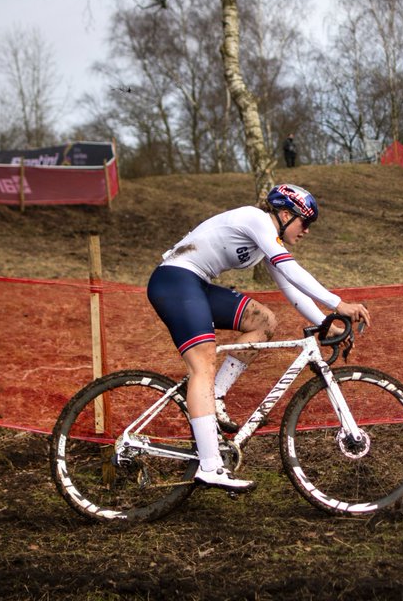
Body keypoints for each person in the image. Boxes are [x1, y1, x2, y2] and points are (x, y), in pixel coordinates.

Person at [145, 184, 371, 492]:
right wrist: (338, 304)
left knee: (264, 322)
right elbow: (291, 269)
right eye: (304, 222)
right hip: (175, 280)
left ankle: (216, 395)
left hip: (195, 283)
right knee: (204, 364)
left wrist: (323, 323)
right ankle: (210, 466)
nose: (306, 231)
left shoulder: (266, 241)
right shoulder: (256, 219)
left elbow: (290, 286)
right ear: (284, 214)